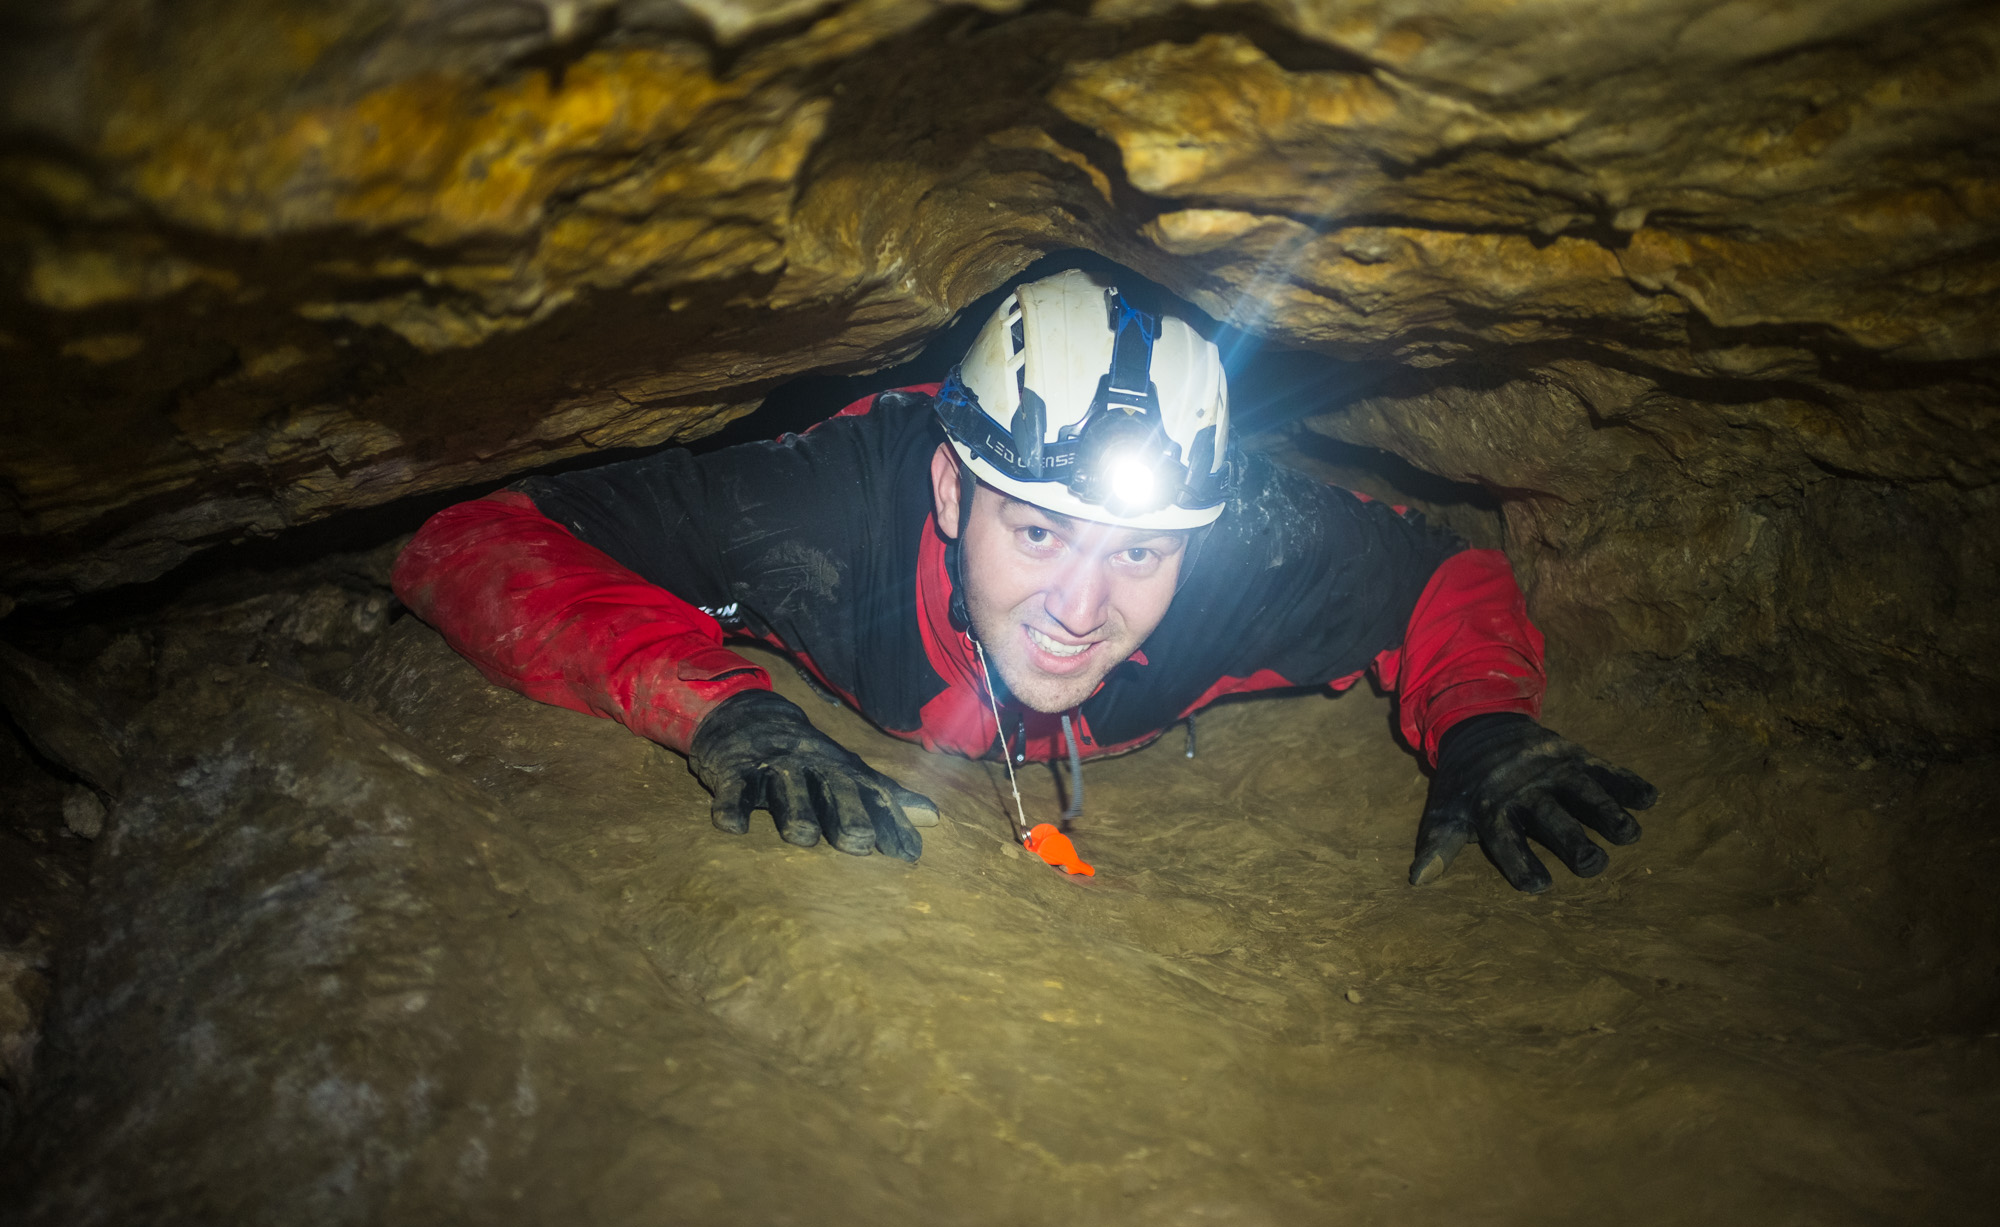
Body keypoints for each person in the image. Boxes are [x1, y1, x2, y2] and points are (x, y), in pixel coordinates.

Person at [393, 269, 1657, 893]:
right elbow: (473, 540)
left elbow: (1443, 573)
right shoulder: (822, 515)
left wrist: (1484, 724)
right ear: (951, 494)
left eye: (1139, 552)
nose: (1080, 609)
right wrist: (718, 709)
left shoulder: (1247, 551)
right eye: (1040, 533)